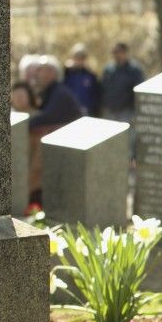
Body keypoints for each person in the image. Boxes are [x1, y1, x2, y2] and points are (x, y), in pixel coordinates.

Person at [27, 55, 83, 205]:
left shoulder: (59, 93)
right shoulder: (48, 92)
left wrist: (24, 124)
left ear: (52, 73)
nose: (37, 73)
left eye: (41, 70)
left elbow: (48, 117)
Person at [100, 42, 145, 122]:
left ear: (125, 53)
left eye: (118, 52)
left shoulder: (134, 70)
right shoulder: (108, 70)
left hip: (127, 111)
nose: (116, 55)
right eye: (114, 52)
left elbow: (140, 91)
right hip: (110, 111)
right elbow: (102, 88)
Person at [63, 43, 101, 116]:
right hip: (69, 111)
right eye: (77, 57)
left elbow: (96, 95)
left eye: (82, 57)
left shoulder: (91, 75)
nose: (79, 60)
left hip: (87, 111)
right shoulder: (66, 74)